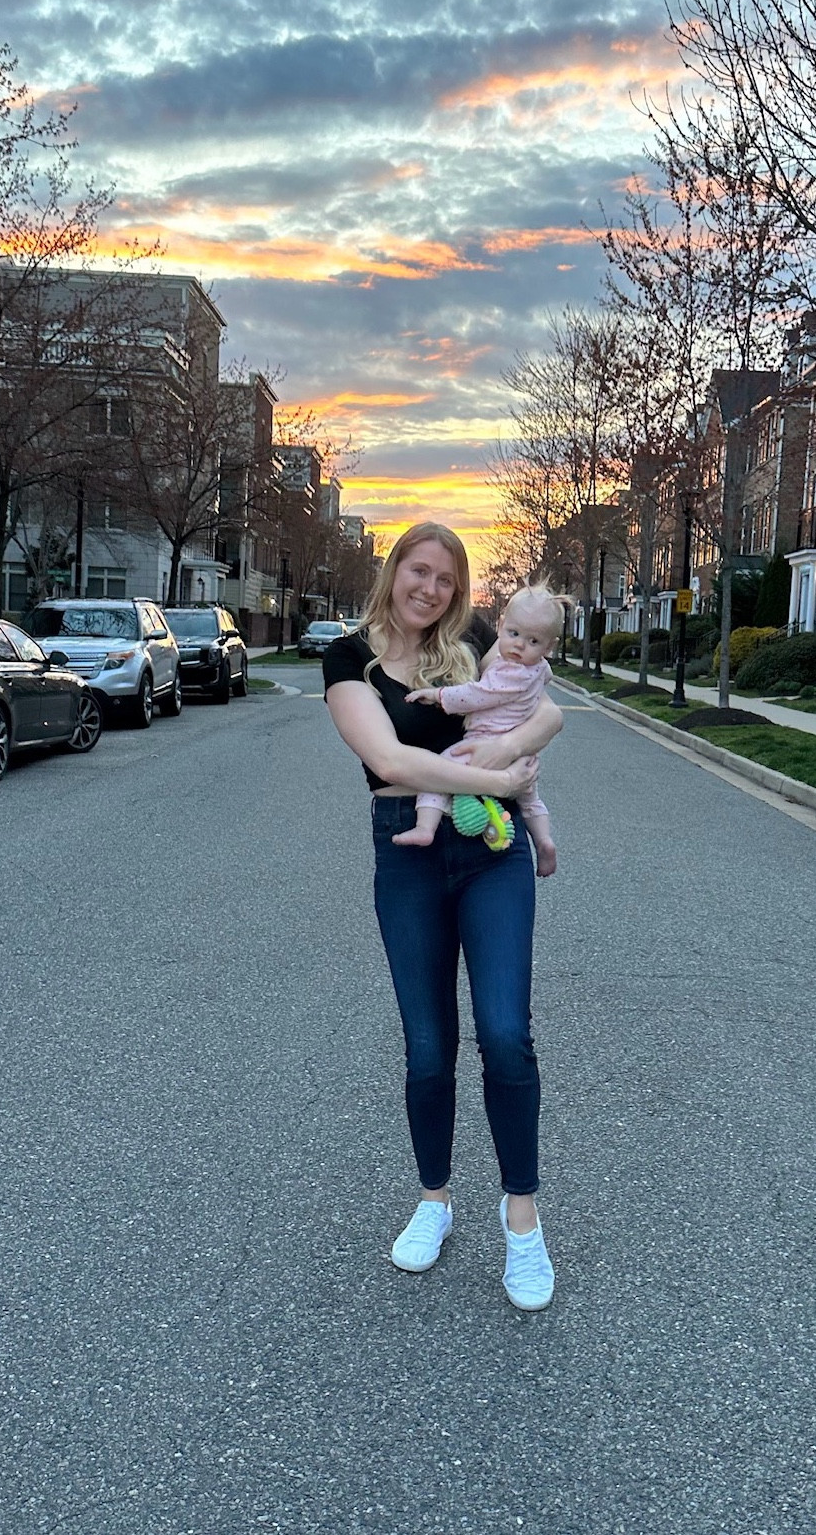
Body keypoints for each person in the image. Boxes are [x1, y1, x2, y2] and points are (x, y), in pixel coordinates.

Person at [323, 522, 563, 1311]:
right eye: (418, 571)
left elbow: (547, 715)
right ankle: (434, 1199)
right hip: (408, 849)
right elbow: (388, 760)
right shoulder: (346, 657)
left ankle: (520, 1219)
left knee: (504, 1032)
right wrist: (498, 777)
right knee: (429, 1046)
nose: (431, 589)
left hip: (491, 853)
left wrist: (500, 758)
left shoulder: (477, 637)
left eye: (446, 579)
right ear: (393, 571)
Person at [390, 581, 567, 878]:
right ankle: (544, 841)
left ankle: (425, 826)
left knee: (438, 772)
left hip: (483, 742)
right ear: (500, 627)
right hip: (522, 759)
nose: (520, 645)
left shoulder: (509, 673)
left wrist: (437, 695)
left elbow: (476, 695)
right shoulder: (538, 669)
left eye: (533, 641)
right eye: (514, 634)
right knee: (530, 800)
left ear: (549, 647)